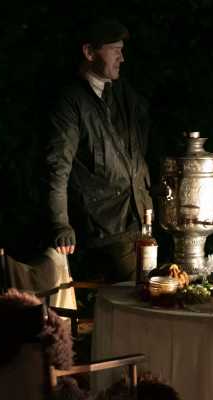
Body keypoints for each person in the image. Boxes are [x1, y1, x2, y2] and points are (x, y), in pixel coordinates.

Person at [45, 18, 152, 283]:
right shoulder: (71, 101)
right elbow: (58, 166)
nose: (121, 58)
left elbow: (139, 147)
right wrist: (61, 224)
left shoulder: (123, 93)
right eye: (114, 50)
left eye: (122, 50)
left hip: (141, 219)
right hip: (107, 227)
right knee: (138, 296)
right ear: (89, 52)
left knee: (157, 291)